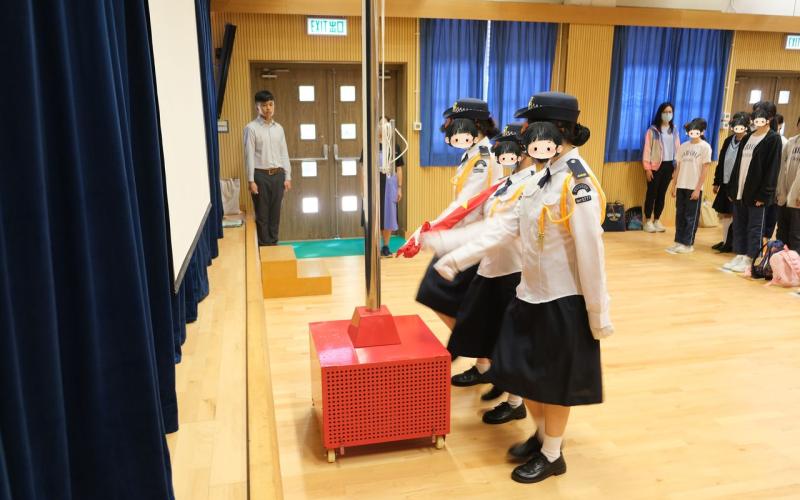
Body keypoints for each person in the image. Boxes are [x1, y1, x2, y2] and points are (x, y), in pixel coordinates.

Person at [428, 92, 612, 484]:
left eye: (529, 126)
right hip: (528, 294)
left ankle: (552, 453)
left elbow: (591, 252)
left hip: (562, 300)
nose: (523, 133)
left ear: (555, 130)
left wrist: (598, 314)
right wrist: (450, 254)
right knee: (524, 375)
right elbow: (502, 228)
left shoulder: (576, 181)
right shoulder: (539, 177)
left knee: (553, 384)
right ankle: (542, 437)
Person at [424, 124, 533, 423]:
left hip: (514, 270)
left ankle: (515, 402)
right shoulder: (507, 183)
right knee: (494, 331)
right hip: (493, 267)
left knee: (509, 338)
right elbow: (484, 224)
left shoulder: (530, 186)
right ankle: (500, 382)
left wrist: (450, 252)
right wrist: (442, 240)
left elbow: (497, 231)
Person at [408, 98, 502, 333]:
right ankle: (472, 346)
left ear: (476, 125)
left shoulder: (484, 158)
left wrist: (430, 229)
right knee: (439, 294)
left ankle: (471, 345)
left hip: (472, 237)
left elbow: (465, 204)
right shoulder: (473, 154)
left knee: (435, 291)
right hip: (462, 234)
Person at [724, 101, 783, 273]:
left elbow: (772, 169)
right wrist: (733, 188)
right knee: (739, 224)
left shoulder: (773, 139)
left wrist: (764, 195)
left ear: (769, 118)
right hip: (740, 190)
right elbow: (738, 164)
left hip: (757, 193)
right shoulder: (747, 137)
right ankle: (740, 254)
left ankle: (751, 257)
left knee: (755, 227)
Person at [244, 90, 291, 246]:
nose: (268, 108)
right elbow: (249, 156)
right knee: (262, 214)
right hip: (260, 176)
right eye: (264, 105)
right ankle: (264, 246)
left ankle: (274, 244)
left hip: (278, 175)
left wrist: (288, 176)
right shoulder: (251, 128)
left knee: (275, 213)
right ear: (257, 107)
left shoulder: (279, 128)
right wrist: (251, 180)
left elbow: (284, 153)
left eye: (270, 104)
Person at [666, 118, 712, 255]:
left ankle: (688, 244)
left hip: (694, 187)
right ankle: (679, 242)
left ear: (702, 131)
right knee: (680, 214)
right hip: (681, 185)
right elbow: (678, 167)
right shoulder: (683, 146)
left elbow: (705, 170)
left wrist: (698, 189)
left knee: (690, 216)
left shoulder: (705, 147)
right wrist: (673, 185)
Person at [712, 112, 750, 253]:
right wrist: (717, 181)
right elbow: (721, 161)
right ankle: (725, 241)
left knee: (737, 214)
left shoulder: (748, 141)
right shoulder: (728, 140)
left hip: (739, 184)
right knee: (725, 213)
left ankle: (734, 243)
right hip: (726, 182)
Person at [642, 102, 681, 233]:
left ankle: (657, 220)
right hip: (655, 167)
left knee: (661, 194)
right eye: (665, 112)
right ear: (660, 113)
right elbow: (647, 150)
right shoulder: (652, 130)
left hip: (669, 166)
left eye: (670, 112)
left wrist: (676, 167)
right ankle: (648, 220)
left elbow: (678, 149)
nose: (668, 114)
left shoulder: (674, 130)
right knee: (651, 193)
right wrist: (647, 168)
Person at [378, 117, 405, 257]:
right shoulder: (371, 145)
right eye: (380, 124)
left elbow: (399, 168)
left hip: (390, 185)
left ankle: (386, 246)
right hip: (375, 184)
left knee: (389, 216)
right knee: (376, 215)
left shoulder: (395, 147)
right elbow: (363, 167)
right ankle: (374, 246)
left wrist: (399, 187)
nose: (382, 127)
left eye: (385, 124)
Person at [776, 116, 800, 250]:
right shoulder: (791, 142)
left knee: (795, 234)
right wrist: (779, 191)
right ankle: (780, 260)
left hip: (797, 199)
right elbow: (782, 168)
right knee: (781, 232)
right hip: (785, 195)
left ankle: (795, 261)